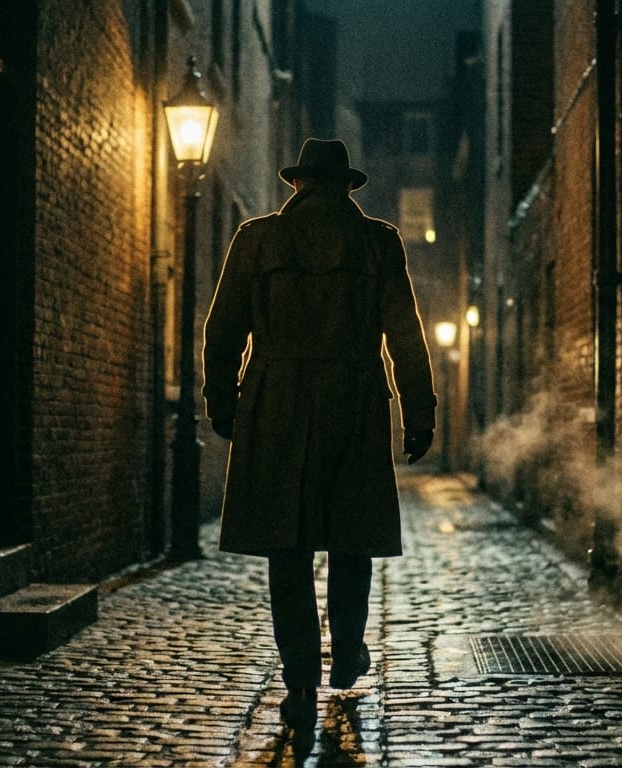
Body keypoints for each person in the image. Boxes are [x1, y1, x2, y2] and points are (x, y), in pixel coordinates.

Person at [201, 138, 437, 734]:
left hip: (275, 400)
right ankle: (349, 651)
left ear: (298, 185)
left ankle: (300, 678)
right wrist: (419, 410)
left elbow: (224, 328)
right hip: (354, 400)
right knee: (351, 536)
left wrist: (222, 401)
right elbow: (405, 334)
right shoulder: (378, 241)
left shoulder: (257, 239)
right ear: (347, 187)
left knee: (288, 544)